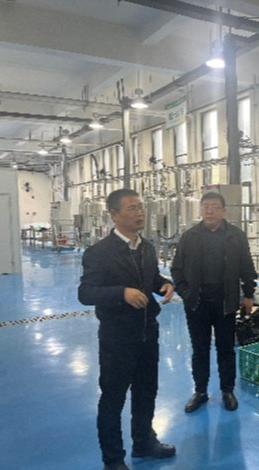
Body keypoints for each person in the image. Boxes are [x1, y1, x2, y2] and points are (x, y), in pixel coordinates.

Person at [78, 189, 176, 470]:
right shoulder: (99, 253)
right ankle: (113, 460)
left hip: (147, 334)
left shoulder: (147, 247)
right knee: (113, 398)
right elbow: (86, 293)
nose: (139, 213)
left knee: (146, 392)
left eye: (141, 207)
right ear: (114, 215)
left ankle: (144, 443)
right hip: (117, 339)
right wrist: (121, 293)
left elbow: (151, 278)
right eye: (132, 208)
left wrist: (164, 284)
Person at [171, 192, 257, 413]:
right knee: (199, 349)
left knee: (226, 348)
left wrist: (249, 294)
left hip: (226, 302)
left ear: (223, 211)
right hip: (197, 303)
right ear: (200, 209)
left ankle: (227, 391)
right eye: (205, 206)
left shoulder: (236, 236)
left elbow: (247, 267)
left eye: (215, 206)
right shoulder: (189, 237)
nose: (209, 210)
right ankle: (200, 391)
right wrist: (186, 293)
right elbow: (176, 269)